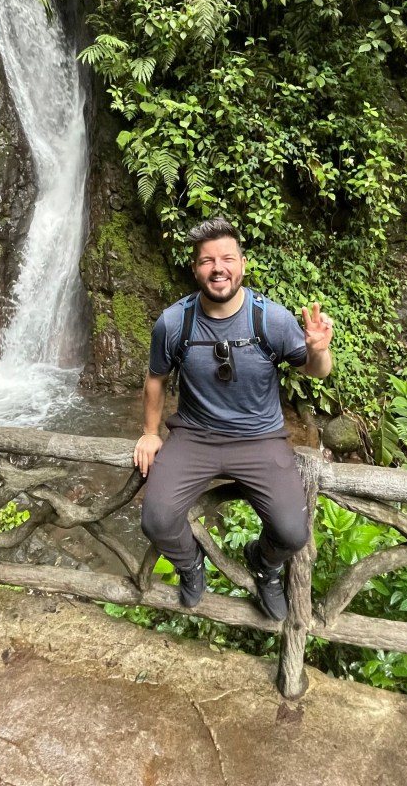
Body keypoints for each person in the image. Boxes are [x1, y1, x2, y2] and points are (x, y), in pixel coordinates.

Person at [134, 217, 333, 620]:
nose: (218, 268)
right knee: (156, 520)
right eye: (207, 261)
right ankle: (190, 563)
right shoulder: (174, 322)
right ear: (195, 269)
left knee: (293, 533)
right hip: (195, 436)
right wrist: (150, 433)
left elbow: (317, 372)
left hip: (260, 439)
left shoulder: (271, 319)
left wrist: (318, 350)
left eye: (227, 258)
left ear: (242, 264)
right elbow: (156, 378)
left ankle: (263, 563)